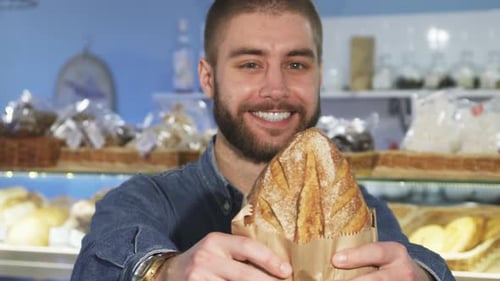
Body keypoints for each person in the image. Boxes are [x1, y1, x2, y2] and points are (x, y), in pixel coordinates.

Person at [71, 0, 455, 280]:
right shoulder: (146, 200)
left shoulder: (361, 209)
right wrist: (164, 272)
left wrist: (420, 274)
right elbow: (99, 263)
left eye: (296, 64)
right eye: (250, 64)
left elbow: (416, 260)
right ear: (208, 78)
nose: (276, 88)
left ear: (318, 77)